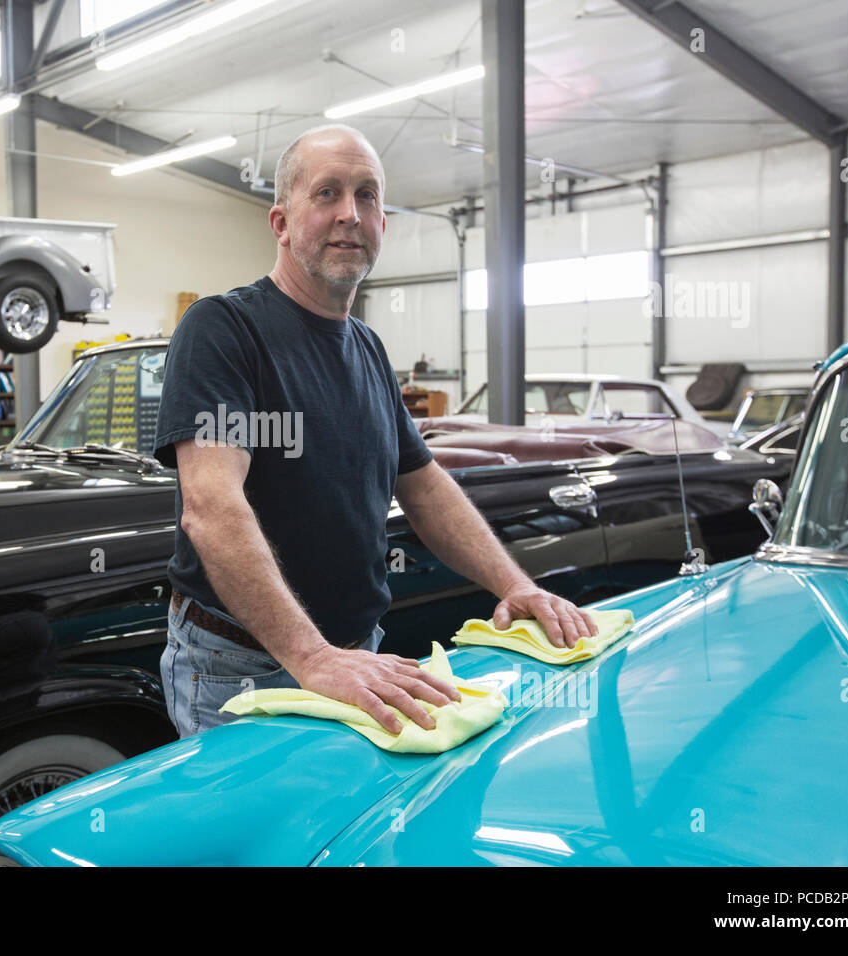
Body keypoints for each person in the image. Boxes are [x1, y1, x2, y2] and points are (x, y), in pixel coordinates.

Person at [152, 123, 594, 739]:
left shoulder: (366, 347)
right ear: (281, 223)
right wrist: (311, 657)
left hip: (360, 656)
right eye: (327, 194)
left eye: (366, 197)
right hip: (245, 665)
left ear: (383, 222)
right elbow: (212, 508)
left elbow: (424, 485)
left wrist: (515, 586)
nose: (349, 215)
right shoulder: (224, 330)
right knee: (267, 837)